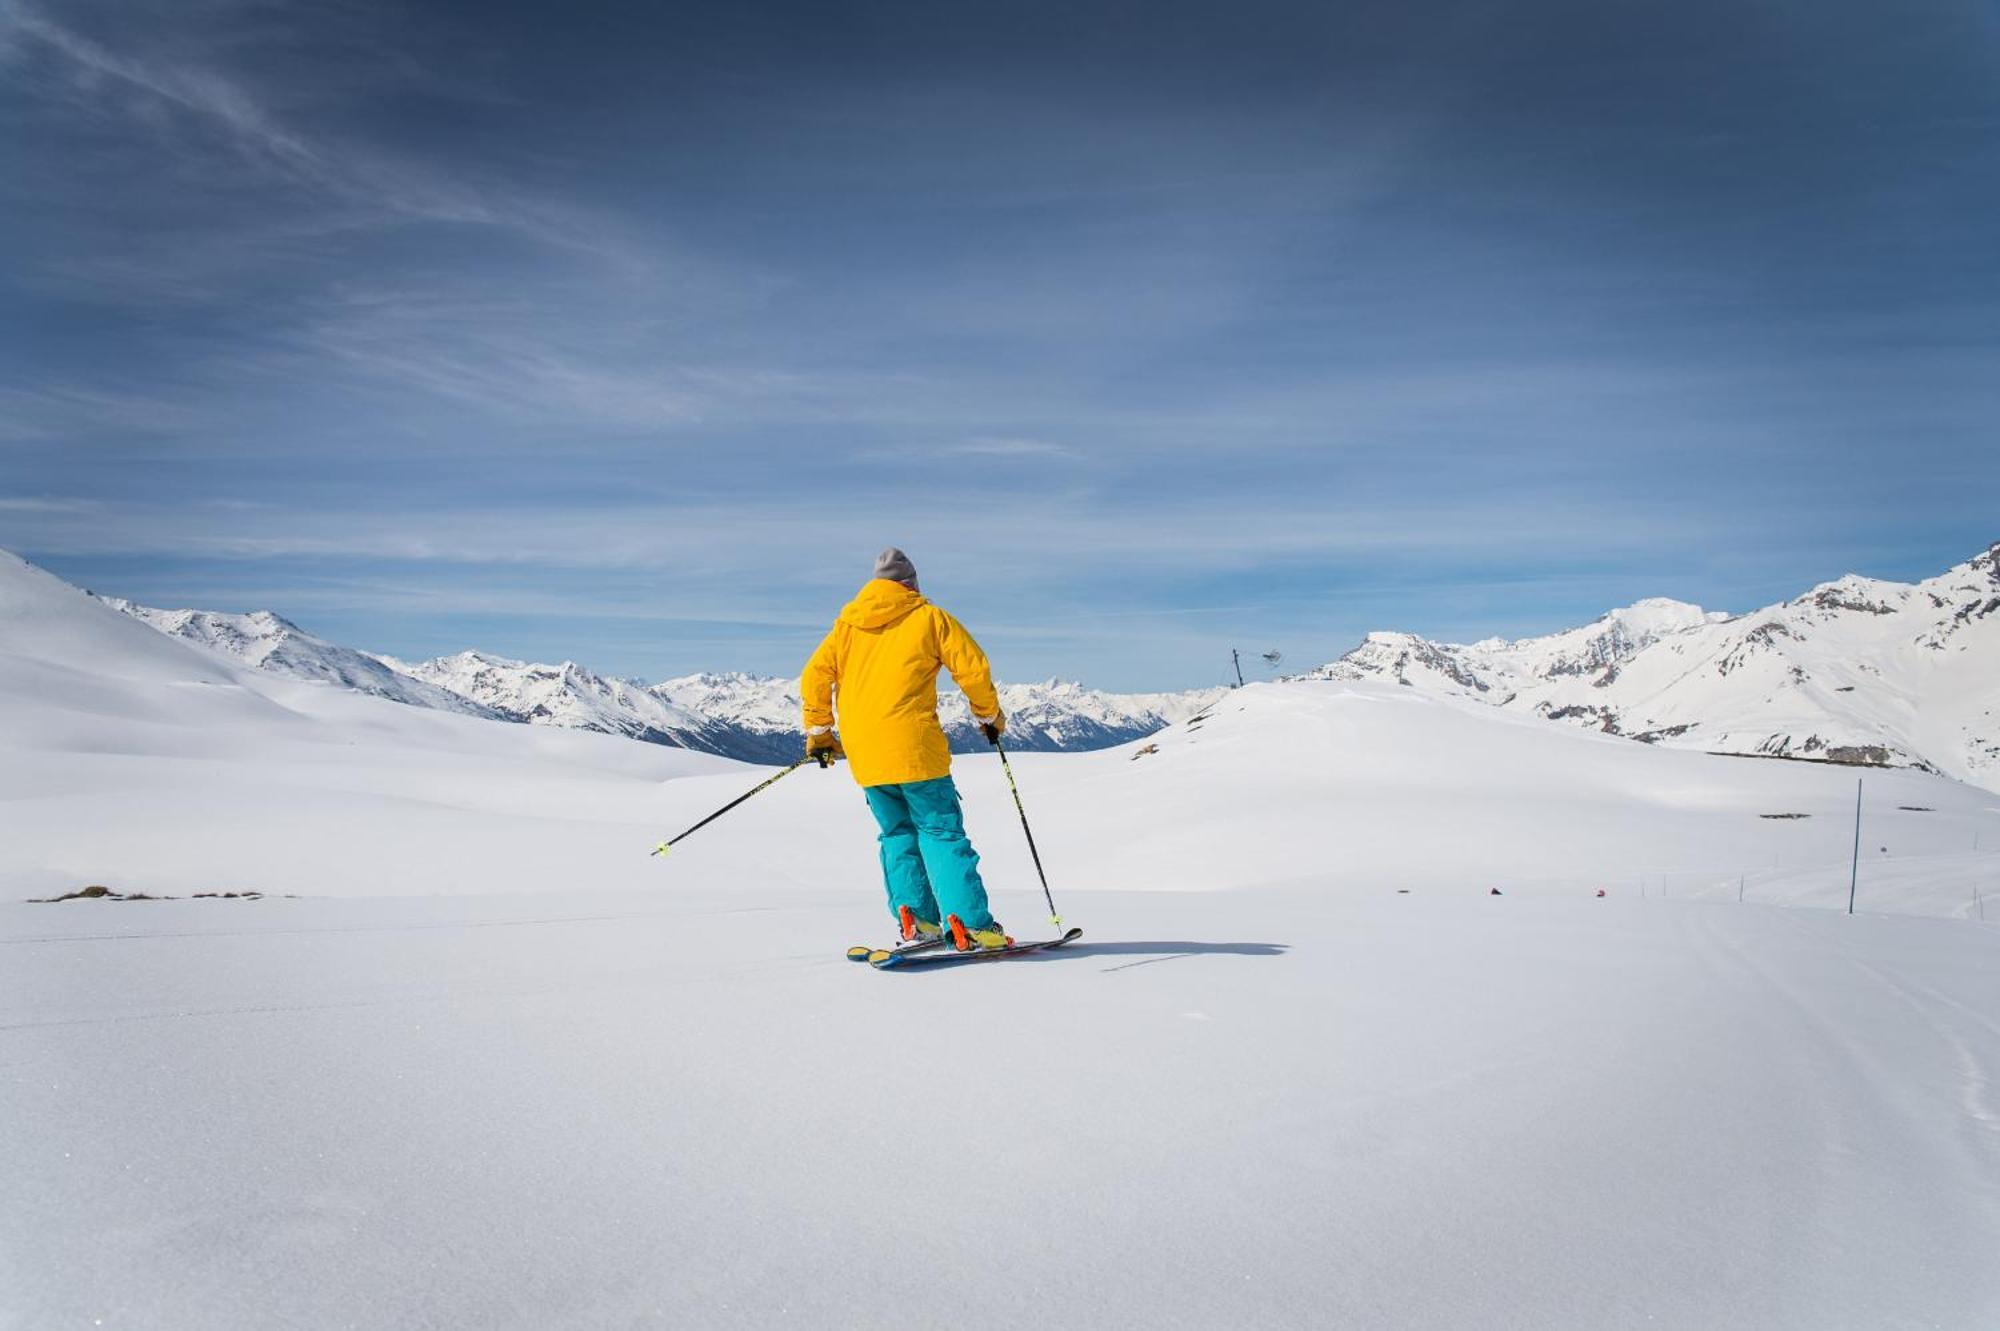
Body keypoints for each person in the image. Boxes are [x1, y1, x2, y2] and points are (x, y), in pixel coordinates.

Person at [802, 547, 1011, 952]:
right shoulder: (929, 618)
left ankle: (918, 921)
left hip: (866, 754)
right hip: (915, 748)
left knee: (896, 833)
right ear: (910, 585)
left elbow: (814, 675)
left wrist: (821, 733)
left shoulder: (847, 627)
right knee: (941, 832)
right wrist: (989, 717)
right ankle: (971, 926)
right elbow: (972, 668)